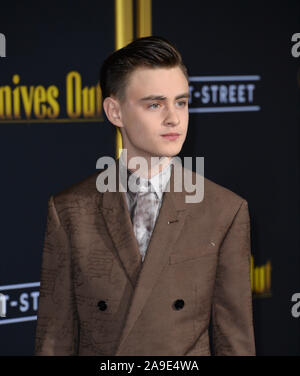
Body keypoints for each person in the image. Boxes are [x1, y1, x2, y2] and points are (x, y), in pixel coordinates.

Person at [34, 36, 256, 356]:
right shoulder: (69, 211)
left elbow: (235, 341)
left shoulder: (224, 210)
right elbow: (55, 340)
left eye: (181, 102)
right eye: (155, 104)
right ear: (115, 111)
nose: (174, 118)